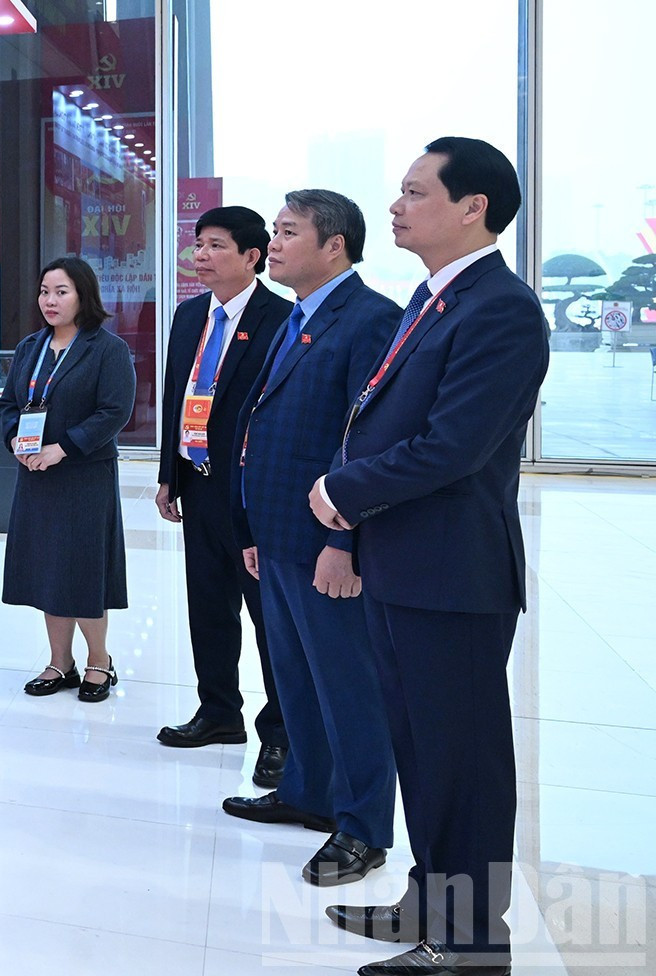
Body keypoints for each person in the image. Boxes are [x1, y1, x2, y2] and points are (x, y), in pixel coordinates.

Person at [312, 139, 548, 976]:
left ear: (472, 206)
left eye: (416, 192)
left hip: (453, 576)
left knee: (464, 764)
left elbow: (451, 446)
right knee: (423, 751)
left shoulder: (502, 309)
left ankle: (474, 945)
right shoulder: (434, 297)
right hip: (405, 565)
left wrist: (345, 490)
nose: (398, 205)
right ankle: (431, 903)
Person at [221, 191, 400, 889]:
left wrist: (344, 542)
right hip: (278, 533)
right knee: (295, 680)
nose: (276, 242)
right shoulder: (297, 319)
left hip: (326, 541)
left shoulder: (369, 320)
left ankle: (362, 827)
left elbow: (363, 441)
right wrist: (255, 529)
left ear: (334, 246)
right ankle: (307, 792)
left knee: (347, 686)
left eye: (288, 232)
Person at [155, 205, 292, 782]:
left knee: (269, 617)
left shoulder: (280, 317)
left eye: (215, 246)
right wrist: (169, 471)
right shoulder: (189, 316)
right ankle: (217, 711)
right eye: (198, 245)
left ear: (251, 257)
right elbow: (176, 395)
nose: (201, 257)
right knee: (208, 605)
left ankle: (282, 732)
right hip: (198, 480)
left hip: (252, 492)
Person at [0, 257, 136, 702]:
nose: (50, 300)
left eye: (61, 291)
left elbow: (114, 412)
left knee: (83, 570)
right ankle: (61, 662)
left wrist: (64, 447)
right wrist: (16, 440)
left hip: (83, 476)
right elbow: (9, 404)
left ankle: (99, 660)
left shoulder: (107, 348)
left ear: (83, 295)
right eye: (44, 291)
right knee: (47, 570)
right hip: (35, 476)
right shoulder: (30, 347)